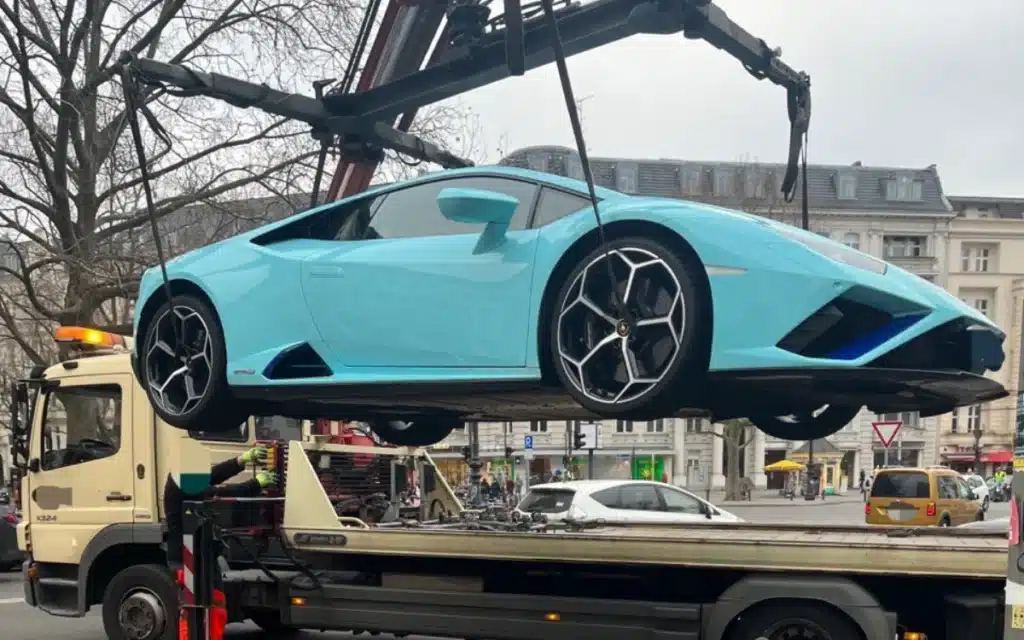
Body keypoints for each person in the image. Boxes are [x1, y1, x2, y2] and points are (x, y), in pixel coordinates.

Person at [164, 445, 276, 569]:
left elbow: (214, 474)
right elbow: (217, 493)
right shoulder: (181, 482)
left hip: (199, 552)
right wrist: (255, 483)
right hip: (185, 557)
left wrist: (241, 460)